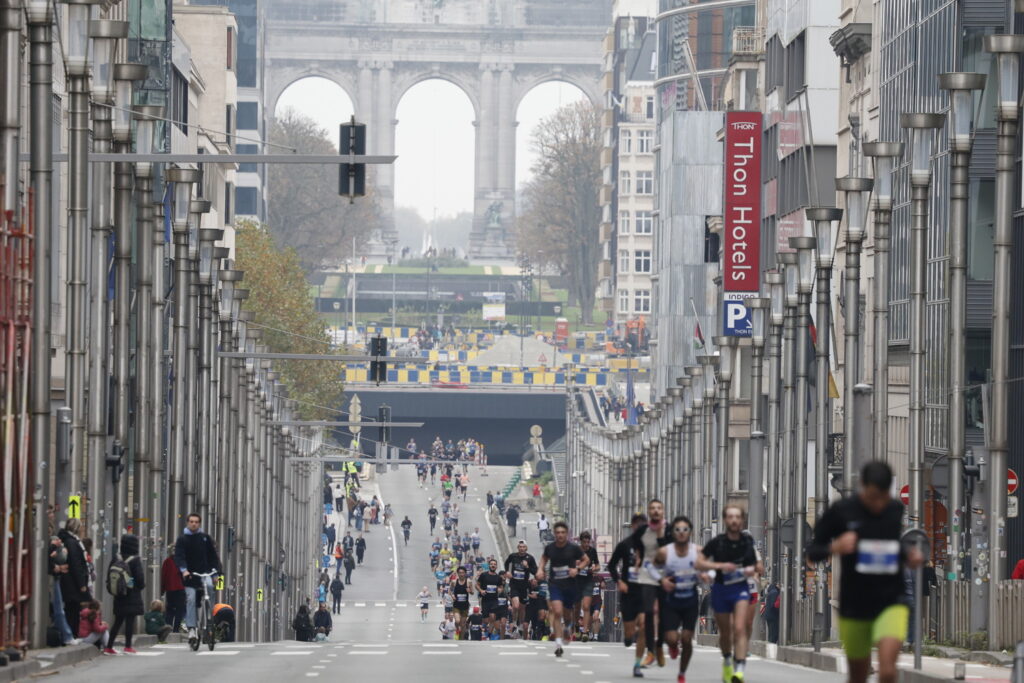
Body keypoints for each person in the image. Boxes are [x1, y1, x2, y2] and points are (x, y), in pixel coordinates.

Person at [807, 461, 924, 683]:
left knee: (887, 671)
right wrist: (835, 547)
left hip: (891, 600)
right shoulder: (842, 511)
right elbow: (812, 552)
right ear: (862, 487)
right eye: (872, 497)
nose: (877, 504)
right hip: (855, 603)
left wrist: (909, 555)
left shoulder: (894, 509)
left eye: (883, 497)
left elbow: (889, 546)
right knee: (858, 675)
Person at [697, 505, 761, 683]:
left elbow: (758, 566)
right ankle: (727, 659)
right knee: (725, 633)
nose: (734, 520)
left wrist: (752, 570)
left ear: (742, 520)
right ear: (725, 520)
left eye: (737, 517)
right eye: (730, 517)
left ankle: (739, 670)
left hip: (741, 589)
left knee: (739, 628)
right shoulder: (717, 542)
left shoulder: (747, 543)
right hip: (721, 589)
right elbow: (699, 562)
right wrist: (719, 566)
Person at [651, 516, 703, 683]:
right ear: (673, 533)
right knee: (671, 638)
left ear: (690, 532)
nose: (681, 533)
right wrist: (662, 580)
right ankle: (673, 645)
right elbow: (650, 567)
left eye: (685, 529)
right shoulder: (665, 552)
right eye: (678, 530)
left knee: (687, 639)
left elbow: (709, 568)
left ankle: (682, 673)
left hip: (690, 600)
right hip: (671, 601)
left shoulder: (698, 551)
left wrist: (705, 576)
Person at [631, 499, 672, 670]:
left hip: (665, 575)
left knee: (662, 614)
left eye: (658, 508)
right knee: (648, 612)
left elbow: (669, 551)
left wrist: (661, 535)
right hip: (647, 575)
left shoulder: (670, 530)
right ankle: (650, 651)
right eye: (652, 508)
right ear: (649, 512)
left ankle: (659, 645)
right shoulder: (643, 530)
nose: (655, 511)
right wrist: (638, 561)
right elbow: (638, 547)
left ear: (663, 511)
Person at [173, 512, 223, 642]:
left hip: (204, 573)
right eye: (191, 522)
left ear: (199, 523)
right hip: (190, 576)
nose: (194, 524)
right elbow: (179, 556)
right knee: (191, 599)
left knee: (210, 587)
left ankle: (209, 618)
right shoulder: (182, 539)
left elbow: (213, 556)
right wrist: (184, 570)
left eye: (196, 522)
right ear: (187, 523)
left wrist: (215, 573)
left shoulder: (205, 538)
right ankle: (191, 628)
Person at [608, 513, 647, 678]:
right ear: (632, 526)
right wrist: (619, 581)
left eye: (643, 523)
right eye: (637, 524)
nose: (640, 526)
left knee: (643, 626)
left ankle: (637, 664)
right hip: (628, 592)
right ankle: (629, 635)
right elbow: (611, 565)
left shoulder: (651, 545)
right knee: (630, 630)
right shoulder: (625, 545)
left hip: (644, 591)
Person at [537, 521, 584, 657]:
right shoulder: (550, 548)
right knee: (557, 612)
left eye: (563, 532)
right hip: (555, 584)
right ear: (554, 533)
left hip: (569, 585)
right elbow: (544, 559)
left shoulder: (573, 548)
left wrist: (577, 569)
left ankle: (568, 627)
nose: (560, 535)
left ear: (567, 534)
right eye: (557, 532)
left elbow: (586, 560)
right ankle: (558, 644)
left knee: (567, 615)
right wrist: (540, 569)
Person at [107, 533, 146, 654]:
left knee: (117, 621)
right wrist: (137, 586)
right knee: (130, 621)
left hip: (119, 595)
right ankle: (128, 646)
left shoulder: (116, 558)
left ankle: (109, 646)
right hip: (132, 595)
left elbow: (109, 574)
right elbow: (139, 579)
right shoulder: (135, 560)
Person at [57, 518, 91, 638]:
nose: (82, 529)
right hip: (72, 583)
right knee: (73, 609)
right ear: (76, 528)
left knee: (72, 609)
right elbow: (76, 564)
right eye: (81, 527)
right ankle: (72, 634)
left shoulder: (69, 541)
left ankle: (72, 634)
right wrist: (82, 584)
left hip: (70, 582)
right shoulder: (72, 543)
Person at [47, 535, 77, 646]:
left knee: (57, 609)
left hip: (52, 578)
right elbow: (48, 561)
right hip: (51, 579)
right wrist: (56, 567)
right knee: (58, 609)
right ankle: (66, 636)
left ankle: (62, 636)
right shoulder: (51, 546)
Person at [504, 540, 538, 635]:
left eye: (523, 547)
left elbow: (535, 571)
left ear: (526, 548)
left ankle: (521, 625)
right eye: (520, 547)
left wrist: (527, 567)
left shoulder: (530, 558)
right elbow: (506, 563)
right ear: (518, 548)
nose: (522, 549)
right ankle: (514, 622)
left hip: (524, 586)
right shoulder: (513, 556)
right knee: (515, 606)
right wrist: (507, 572)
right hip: (514, 584)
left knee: (522, 608)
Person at [160, 544, 185, 633]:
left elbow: (163, 576)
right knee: (179, 610)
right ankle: (176, 629)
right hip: (180, 588)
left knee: (170, 609)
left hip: (170, 589)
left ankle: (169, 627)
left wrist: (162, 589)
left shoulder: (167, 562)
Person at [451, 566, 473, 637]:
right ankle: (457, 629)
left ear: (465, 573)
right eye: (460, 573)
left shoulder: (469, 582)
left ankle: (461, 639)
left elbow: (472, 592)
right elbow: (450, 590)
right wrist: (452, 595)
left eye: (463, 573)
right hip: (456, 605)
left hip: (465, 606)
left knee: (463, 624)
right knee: (457, 621)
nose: (461, 574)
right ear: (457, 573)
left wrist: (470, 591)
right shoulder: (454, 582)